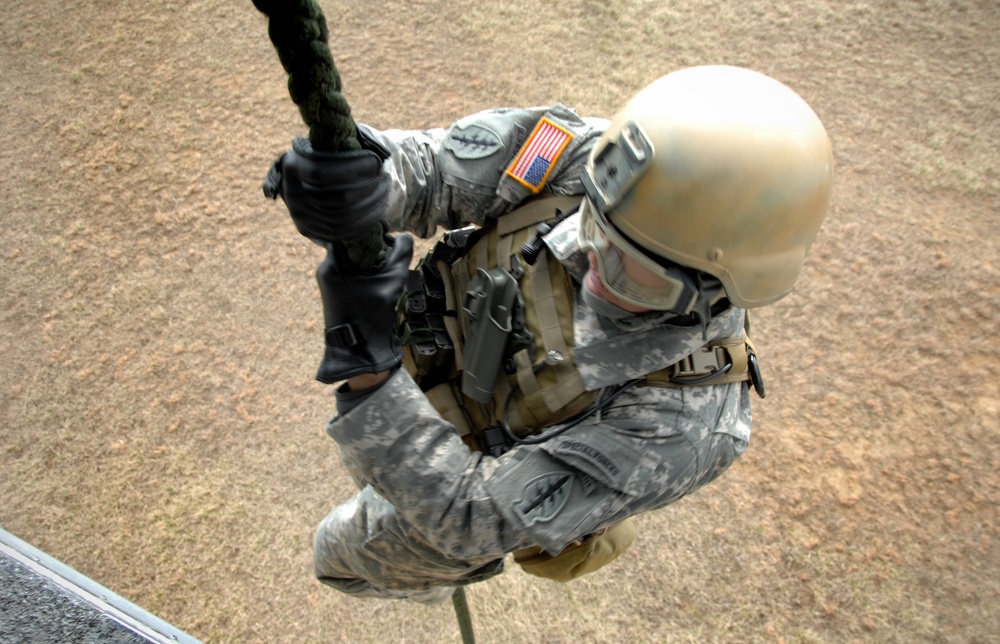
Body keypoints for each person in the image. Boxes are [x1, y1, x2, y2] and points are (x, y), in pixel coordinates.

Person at [262, 65, 833, 603]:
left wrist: (365, 368)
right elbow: (437, 171)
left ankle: (539, 537)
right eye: (595, 233)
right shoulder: (610, 163)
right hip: (412, 363)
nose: (596, 279)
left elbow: (470, 517)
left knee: (335, 558)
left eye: (644, 280)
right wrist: (358, 184)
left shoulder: (685, 425)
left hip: (460, 475)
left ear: (720, 289)